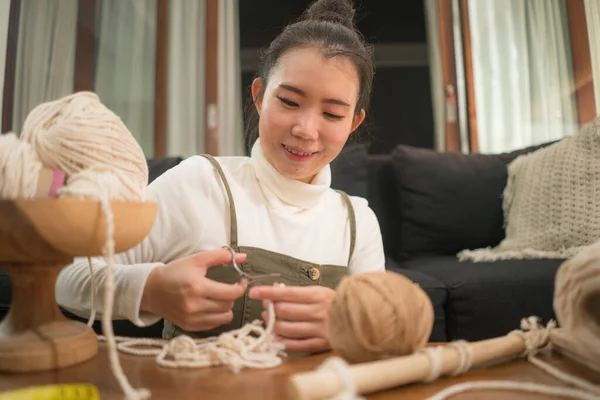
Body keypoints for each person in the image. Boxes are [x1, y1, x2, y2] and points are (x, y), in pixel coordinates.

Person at [56, 0, 385, 355]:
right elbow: (67, 280)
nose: (306, 129)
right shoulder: (201, 184)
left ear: (353, 123)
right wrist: (150, 289)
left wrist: (351, 326)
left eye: (332, 114)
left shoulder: (358, 223)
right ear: (259, 97)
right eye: (289, 102)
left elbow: (382, 330)